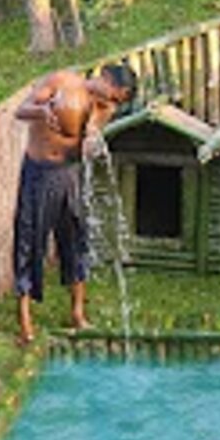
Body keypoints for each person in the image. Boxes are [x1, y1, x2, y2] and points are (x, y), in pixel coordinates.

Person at [13, 63, 137, 345]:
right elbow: (20, 111)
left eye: (119, 102)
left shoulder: (105, 108)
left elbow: (82, 144)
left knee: (76, 241)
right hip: (38, 171)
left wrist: (91, 134)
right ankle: (24, 323)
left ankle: (78, 314)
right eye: (116, 95)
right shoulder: (61, 81)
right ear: (106, 78)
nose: (115, 103)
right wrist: (42, 111)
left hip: (69, 173)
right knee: (29, 243)